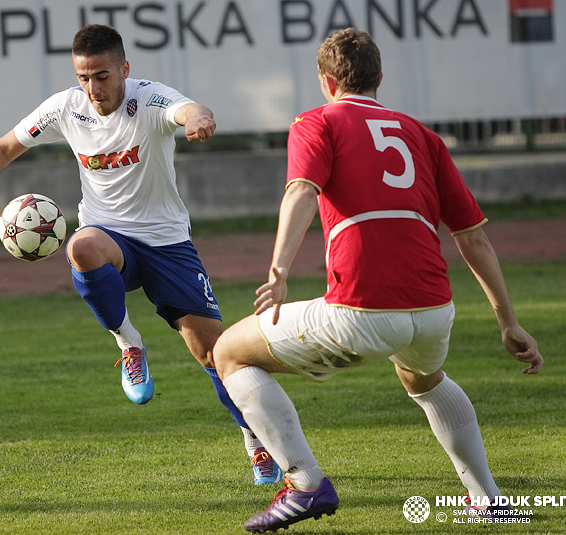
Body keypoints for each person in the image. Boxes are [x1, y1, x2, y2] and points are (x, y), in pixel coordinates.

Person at [212, 28, 544, 533]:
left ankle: (304, 484)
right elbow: (473, 238)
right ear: (381, 79)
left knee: (229, 352)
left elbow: (301, 191)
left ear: (326, 82)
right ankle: (489, 499)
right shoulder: (423, 136)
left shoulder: (315, 121)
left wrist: (278, 272)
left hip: (363, 311)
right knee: (424, 379)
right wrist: (509, 323)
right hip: (434, 311)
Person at [0, 24, 282, 485]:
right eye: (83, 77)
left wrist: (197, 119)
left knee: (215, 355)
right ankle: (128, 342)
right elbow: (4, 148)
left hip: (167, 245)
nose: (93, 88)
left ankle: (254, 440)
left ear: (124, 69)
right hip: (109, 237)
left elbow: (187, 109)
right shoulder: (66, 108)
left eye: (101, 75)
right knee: (81, 246)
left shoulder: (150, 100)